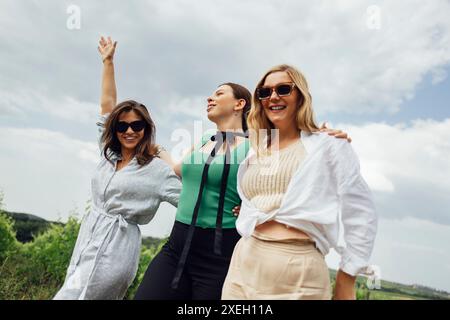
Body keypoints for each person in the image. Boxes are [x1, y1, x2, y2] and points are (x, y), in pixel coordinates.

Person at [222, 64, 378, 300]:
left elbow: (361, 213)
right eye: (265, 92)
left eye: (283, 89)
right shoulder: (257, 150)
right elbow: (263, 198)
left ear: (301, 96)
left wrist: (347, 278)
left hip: (296, 270)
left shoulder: (328, 145)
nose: (273, 96)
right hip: (243, 261)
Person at [53, 37, 181, 300]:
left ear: (146, 129)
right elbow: (107, 106)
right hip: (88, 238)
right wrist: (108, 62)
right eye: (122, 126)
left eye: (137, 125)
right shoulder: (109, 155)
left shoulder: (157, 170)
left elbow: (190, 198)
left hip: (118, 248)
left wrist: (238, 208)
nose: (129, 131)